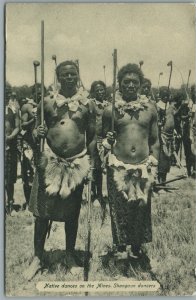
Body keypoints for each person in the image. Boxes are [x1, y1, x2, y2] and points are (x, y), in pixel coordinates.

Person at [23, 60, 96, 280]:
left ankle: (70, 255)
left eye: (73, 74)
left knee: (71, 214)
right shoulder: (47, 102)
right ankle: (38, 257)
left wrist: (91, 164)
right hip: (50, 163)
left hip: (76, 164)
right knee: (42, 213)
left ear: (78, 76)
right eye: (65, 75)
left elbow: (91, 136)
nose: (69, 78)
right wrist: (38, 133)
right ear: (58, 77)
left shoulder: (87, 104)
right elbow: (34, 133)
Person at [102, 63, 159, 261]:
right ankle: (120, 247)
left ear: (141, 84)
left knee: (140, 208)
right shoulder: (111, 111)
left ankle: (136, 248)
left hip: (143, 166)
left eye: (135, 82)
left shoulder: (150, 109)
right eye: (126, 82)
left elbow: (155, 140)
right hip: (118, 165)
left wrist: (155, 163)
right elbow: (102, 137)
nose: (130, 85)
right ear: (119, 84)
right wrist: (107, 141)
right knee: (119, 209)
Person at [89, 80, 108, 211]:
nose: (100, 92)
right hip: (93, 139)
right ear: (93, 92)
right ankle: (94, 194)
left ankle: (100, 194)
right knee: (93, 168)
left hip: (106, 139)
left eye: (102, 90)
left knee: (102, 169)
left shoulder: (108, 105)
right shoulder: (91, 104)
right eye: (97, 90)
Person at [5, 90, 20, 215]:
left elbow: (17, 127)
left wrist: (9, 137)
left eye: (6, 94)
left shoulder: (13, 109)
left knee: (9, 178)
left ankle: (10, 202)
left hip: (10, 146)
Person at [157, 86, 176, 183]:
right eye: (163, 95)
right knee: (162, 157)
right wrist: (160, 122)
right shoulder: (158, 106)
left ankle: (164, 179)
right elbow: (157, 122)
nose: (165, 97)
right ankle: (160, 180)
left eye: (167, 95)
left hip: (170, 135)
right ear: (160, 96)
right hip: (162, 135)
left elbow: (173, 118)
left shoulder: (170, 106)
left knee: (168, 157)